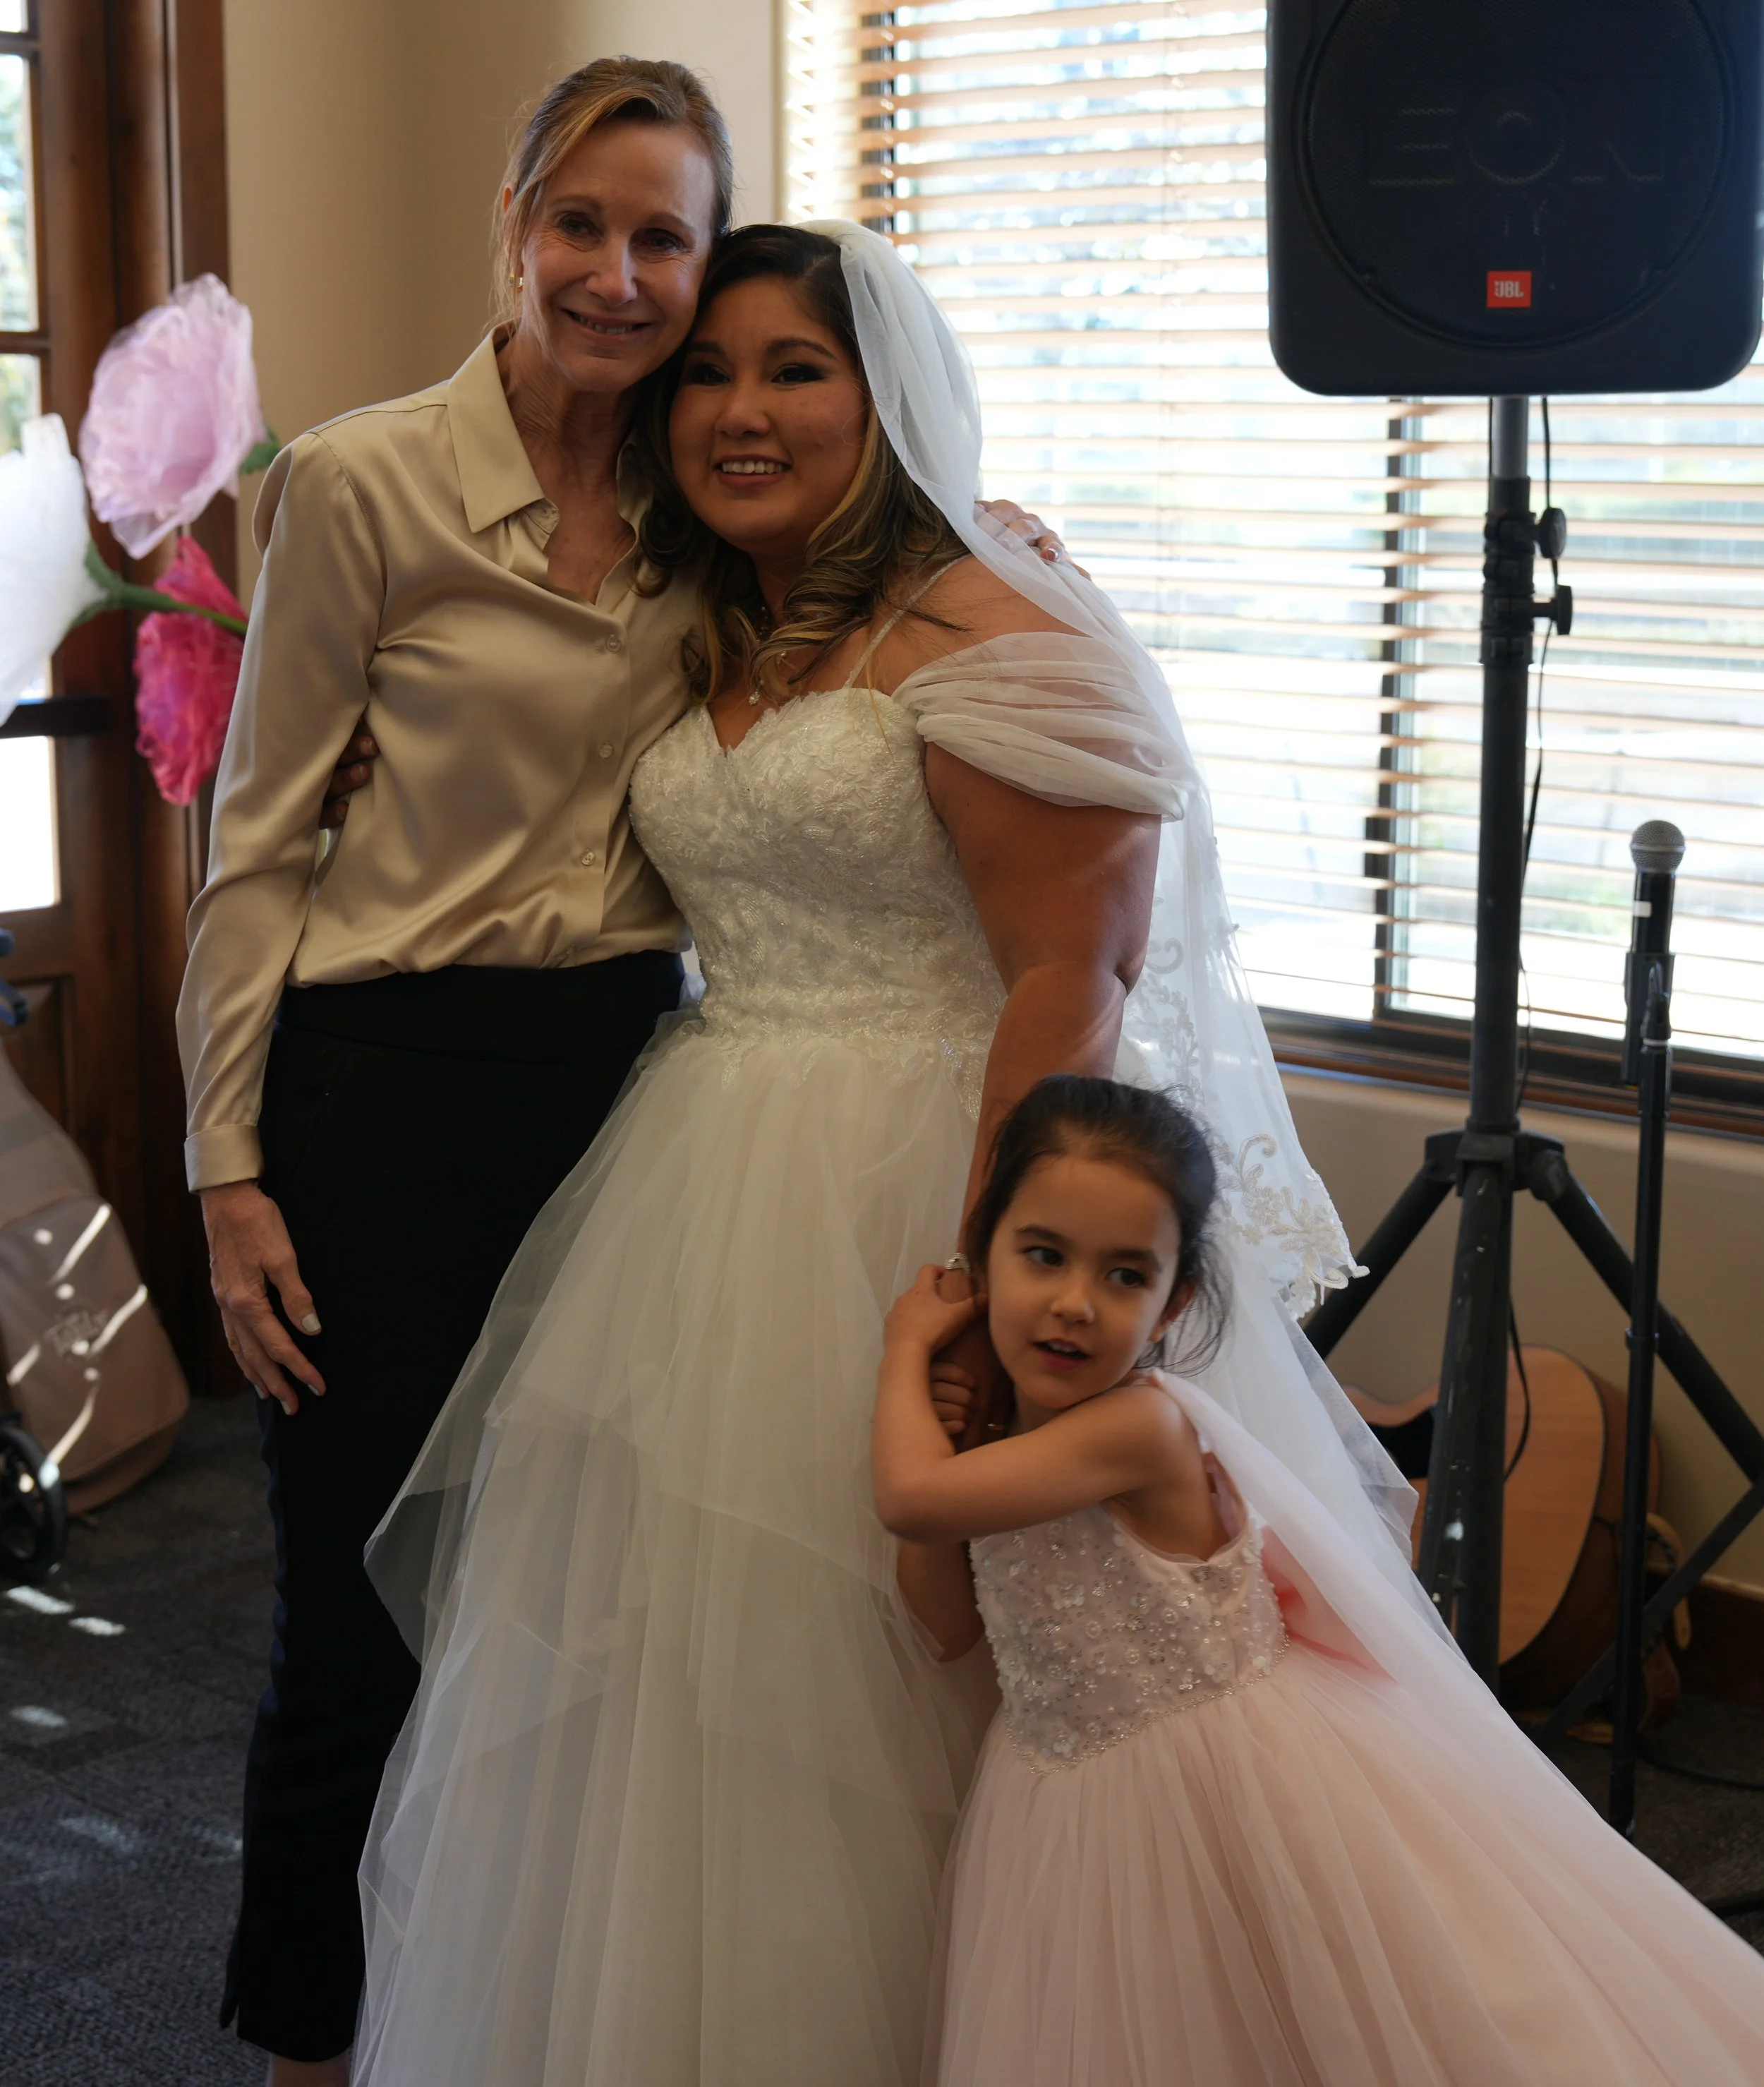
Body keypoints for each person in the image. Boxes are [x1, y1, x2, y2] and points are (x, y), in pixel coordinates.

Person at [352, 221, 1414, 2085]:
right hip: (702, 1176)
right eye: (709, 371)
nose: (740, 409)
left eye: (794, 369)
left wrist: (989, 1294)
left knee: (940, 1662)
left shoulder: (995, 630)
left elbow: (1064, 987)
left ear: (884, 397)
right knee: (701, 1687)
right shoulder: (722, 626)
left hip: (929, 1183)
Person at [178, 61, 1057, 2082]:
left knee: (589, 1610)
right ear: (513, 224)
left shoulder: (715, 494)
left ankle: (510, 2015)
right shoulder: (364, 483)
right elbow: (257, 843)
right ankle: (316, 2040)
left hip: (634, 1089)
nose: (617, 272)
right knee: (359, 1613)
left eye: (663, 234)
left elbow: (893, 616)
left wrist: (986, 526)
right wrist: (227, 1167)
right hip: (378, 1097)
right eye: (584, 223)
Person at [874, 1073, 1764, 2087]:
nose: (1075, 1303)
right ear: (987, 1256)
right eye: (1043, 1256)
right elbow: (944, 1623)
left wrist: (906, 1352)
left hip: (1227, 1774)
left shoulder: (1143, 1427)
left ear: (1177, 1303)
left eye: (1127, 1277)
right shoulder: (1007, 1448)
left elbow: (906, 1499)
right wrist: (953, 1438)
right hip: (1062, 1791)